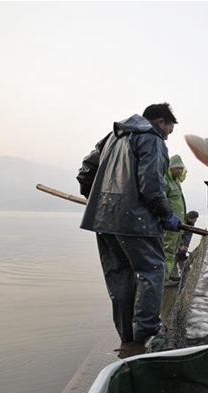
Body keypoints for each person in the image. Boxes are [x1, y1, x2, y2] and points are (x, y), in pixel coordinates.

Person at [76, 103, 182, 348]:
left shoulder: (112, 137)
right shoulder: (152, 138)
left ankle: (127, 337)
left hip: (103, 221)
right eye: (169, 130)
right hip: (136, 222)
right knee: (152, 270)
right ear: (160, 121)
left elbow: (85, 172)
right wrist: (166, 214)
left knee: (119, 277)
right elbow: (151, 186)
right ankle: (146, 334)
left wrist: (98, 200)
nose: (168, 136)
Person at [163, 155, 188, 284]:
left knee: (173, 251)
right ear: (170, 168)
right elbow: (162, 202)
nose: (179, 171)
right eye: (176, 168)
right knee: (167, 250)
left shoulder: (176, 183)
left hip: (178, 225)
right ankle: (164, 278)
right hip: (169, 224)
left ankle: (170, 274)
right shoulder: (165, 182)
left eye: (181, 168)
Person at [176, 210, 200, 278]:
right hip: (175, 243)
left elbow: (188, 235)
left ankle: (185, 275)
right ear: (190, 218)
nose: (195, 221)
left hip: (182, 244)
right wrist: (180, 245)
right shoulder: (181, 222)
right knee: (174, 259)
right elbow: (177, 235)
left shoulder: (191, 224)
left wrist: (185, 245)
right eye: (195, 219)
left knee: (182, 256)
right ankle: (173, 276)